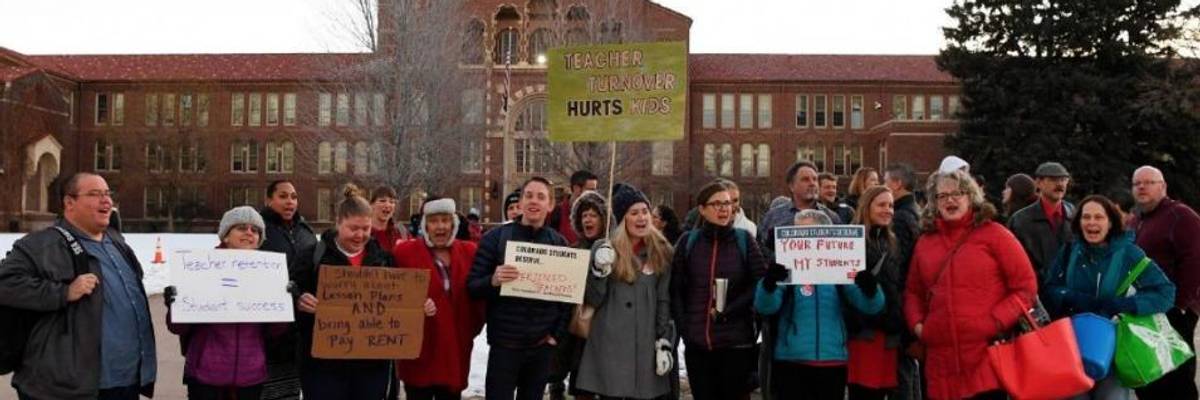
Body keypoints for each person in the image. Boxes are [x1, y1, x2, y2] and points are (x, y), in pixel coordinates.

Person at [0, 172, 157, 400]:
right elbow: (5, 284)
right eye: (94, 194)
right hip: (65, 388)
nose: (106, 201)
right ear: (69, 202)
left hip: (125, 381)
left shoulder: (117, 243)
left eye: (107, 194)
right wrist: (63, 292)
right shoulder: (41, 245)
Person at [904, 169, 1038, 400]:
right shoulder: (925, 242)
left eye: (957, 193)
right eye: (942, 196)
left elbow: (1025, 287)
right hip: (940, 361)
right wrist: (918, 325)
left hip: (985, 357)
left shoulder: (996, 235)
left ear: (971, 197)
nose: (950, 200)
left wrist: (995, 321)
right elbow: (913, 291)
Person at [1043, 195, 1175, 399]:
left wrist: (1126, 304)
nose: (1092, 222)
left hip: (1113, 347)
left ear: (1111, 222)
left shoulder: (1129, 253)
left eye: (1099, 217)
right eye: (1086, 217)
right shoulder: (1070, 250)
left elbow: (1166, 292)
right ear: (1078, 222)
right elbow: (1050, 286)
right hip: (1072, 346)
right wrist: (1069, 297)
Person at [291, 185, 405, 400]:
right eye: (353, 228)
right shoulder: (313, 257)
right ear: (337, 224)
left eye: (366, 228)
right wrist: (299, 301)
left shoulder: (383, 260)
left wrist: (418, 305)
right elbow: (289, 295)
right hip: (323, 367)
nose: (360, 235)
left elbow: (398, 306)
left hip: (370, 367)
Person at [165, 206, 291, 400]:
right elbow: (178, 327)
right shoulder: (199, 269)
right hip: (206, 375)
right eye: (241, 227)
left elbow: (275, 331)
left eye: (255, 230)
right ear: (225, 236)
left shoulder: (268, 274)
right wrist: (175, 304)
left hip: (251, 375)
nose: (249, 233)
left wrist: (284, 301)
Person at [757, 209, 884, 400]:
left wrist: (871, 289)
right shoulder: (785, 266)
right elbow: (766, 306)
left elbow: (870, 306)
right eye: (798, 233)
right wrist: (768, 284)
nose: (805, 241)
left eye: (810, 233)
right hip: (792, 359)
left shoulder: (840, 267)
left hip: (833, 358)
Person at [467, 177, 572, 400]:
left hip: (541, 347)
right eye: (529, 196)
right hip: (504, 346)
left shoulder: (559, 244)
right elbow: (473, 286)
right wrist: (493, 281)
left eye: (541, 197)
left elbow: (568, 299)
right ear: (521, 202)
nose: (534, 201)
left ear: (550, 205)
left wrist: (555, 335)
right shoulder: (495, 239)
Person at [577, 183, 675, 399]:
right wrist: (599, 270)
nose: (641, 218)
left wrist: (664, 341)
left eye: (645, 211)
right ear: (623, 219)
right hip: (609, 343)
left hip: (645, 344)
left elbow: (663, 300)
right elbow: (593, 298)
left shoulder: (662, 251)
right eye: (634, 213)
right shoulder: (605, 248)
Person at [669, 181, 766, 400]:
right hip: (698, 344)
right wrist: (686, 329)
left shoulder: (744, 240)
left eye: (728, 203)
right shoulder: (688, 242)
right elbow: (677, 289)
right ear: (702, 209)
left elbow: (759, 283)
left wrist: (732, 308)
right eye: (717, 204)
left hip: (736, 343)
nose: (724, 209)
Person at [394, 197, 486, 400]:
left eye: (445, 220)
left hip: (455, 350)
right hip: (420, 352)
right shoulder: (404, 253)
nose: (441, 226)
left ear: (453, 223)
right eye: (434, 221)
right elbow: (389, 293)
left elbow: (479, 297)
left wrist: (469, 328)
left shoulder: (469, 252)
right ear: (425, 224)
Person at [1128, 165, 1200, 399]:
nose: (1141, 187)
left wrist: (1179, 305)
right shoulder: (1135, 219)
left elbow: (1194, 262)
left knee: (1177, 379)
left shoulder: (1182, 216)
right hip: (1142, 310)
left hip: (1173, 311)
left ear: (1163, 186)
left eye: (1148, 182)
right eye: (1137, 183)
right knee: (1149, 377)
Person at [844, 186, 910, 400]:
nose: (888, 210)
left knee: (883, 391)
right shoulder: (852, 241)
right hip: (865, 334)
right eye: (882, 205)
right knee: (864, 392)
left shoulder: (891, 241)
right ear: (867, 206)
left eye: (891, 205)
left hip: (888, 333)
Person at [259, 179, 316, 400]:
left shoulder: (305, 232)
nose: (290, 202)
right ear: (269, 200)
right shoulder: (258, 231)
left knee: (293, 389)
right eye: (283, 196)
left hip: (300, 328)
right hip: (268, 328)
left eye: (293, 197)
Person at [548, 190, 608, 400]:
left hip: (607, 333)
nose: (588, 219)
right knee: (583, 388)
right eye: (584, 215)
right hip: (579, 335)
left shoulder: (615, 251)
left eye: (593, 214)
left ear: (604, 219)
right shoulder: (573, 251)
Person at [881, 163, 923, 400]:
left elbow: (898, 264)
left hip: (902, 302)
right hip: (911, 300)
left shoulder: (899, 217)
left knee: (901, 372)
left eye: (885, 181)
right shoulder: (915, 212)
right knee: (910, 367)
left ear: (896, 184)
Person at [759, 161, 842, 262]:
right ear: (791, 186)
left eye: (815, 179)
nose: (812, 183)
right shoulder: (773, 217)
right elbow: (761, 251)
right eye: (805, 180)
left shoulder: (832, 217)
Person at [1008, 162, 1076, 283]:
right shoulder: (1021, 220)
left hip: (1069, 290)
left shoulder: (1075, 214)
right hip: (1036, 290)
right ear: (1038, 183)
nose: (1060, 184)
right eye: (1053, 179)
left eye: (1063, 179)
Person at [548, 170, 600, 245]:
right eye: (591, 190)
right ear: (577, 189)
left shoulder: (598, 216)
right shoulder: (555, 213)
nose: (594, 194)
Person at [369, 185, 410, 250]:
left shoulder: (401, 232)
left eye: (392, 202)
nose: (387, 205)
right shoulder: (363, 232)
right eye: (382, 201)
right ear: (371, 205)